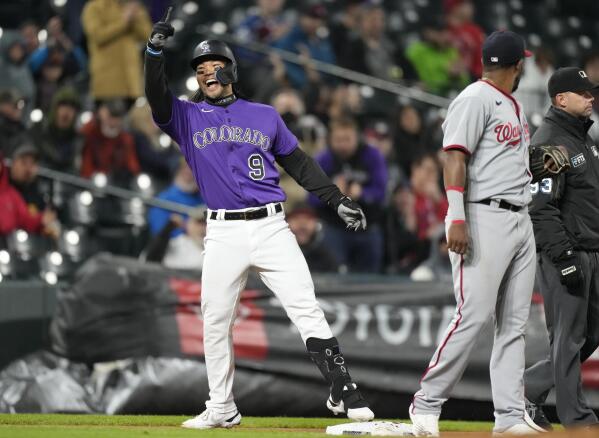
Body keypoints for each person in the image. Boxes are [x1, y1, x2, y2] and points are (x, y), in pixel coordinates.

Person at [144, 15, 373, 430]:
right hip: (223, 230)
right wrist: (154, 53)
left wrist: (335, 198)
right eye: (199, 69)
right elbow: (156, 96)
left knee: (304, 305)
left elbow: (299, 163)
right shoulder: (186, 116)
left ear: (231, 70)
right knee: (214, 319)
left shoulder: (264, 115)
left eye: (214, 66)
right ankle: (221, 406)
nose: (206, 73)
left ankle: (344, 387)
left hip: (271, 226)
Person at [408, 31, 553, 436]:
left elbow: (507, 163)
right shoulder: (474, 98)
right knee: (472, 315)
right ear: (517, 65)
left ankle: (508, 416)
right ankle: (426, 402)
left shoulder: (512, 105)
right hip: (482, 215)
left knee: (514, 323)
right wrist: (456, 216)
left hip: (519, 217)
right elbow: (453, 155)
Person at [523, 67, 599, 430]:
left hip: (592, 250)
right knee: (568, 340)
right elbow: (541, 208)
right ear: (560, 99)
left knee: (590, 336)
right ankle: (578, 420)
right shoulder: (550, 142)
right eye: (583, 93)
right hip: (567, 253)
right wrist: (564, 257)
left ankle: (528, 386)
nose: (591, 97)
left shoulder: (584, 139)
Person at [312, 117, 387, 273]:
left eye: (347, 139)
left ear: (357, 138)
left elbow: (381, 193)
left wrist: (362, 193)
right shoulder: (323, 159)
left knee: (369, 279)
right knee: (334, 277)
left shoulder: (372, 155)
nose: (343, 145)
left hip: (367, 227)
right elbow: (311, 198)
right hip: (334, 228)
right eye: (338, 140)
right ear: (330, 140)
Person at [81, 0, 152, 104]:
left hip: (133, 85)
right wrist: (124, 21)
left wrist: (135, 18)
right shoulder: (93, 8)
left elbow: (149, 36)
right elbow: (97, 36)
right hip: (108, 86)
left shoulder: (132, 7)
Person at [145, 158, 205, 269]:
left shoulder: (206, 199)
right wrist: (186, 228)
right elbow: (159, 236)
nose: (188, 173)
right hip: (174, 252)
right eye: (185, 168)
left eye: (192, 170)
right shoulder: (164, 200)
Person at [80, 98, 140, 184]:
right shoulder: (93, 134)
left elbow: (132, 163)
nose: (113, 122)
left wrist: (133, 175)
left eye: (117, 117)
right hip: (94, 181)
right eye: (111, 116)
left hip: (118, 182)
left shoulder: (125, 139)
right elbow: (86, 162)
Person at [30, 86, 82, 174]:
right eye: (63, 106)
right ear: (55, 109)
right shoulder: (38, 132)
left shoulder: (79, 141)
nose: (67, 111)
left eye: (72, 108)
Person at [287, 204, 339, 273]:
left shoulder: (328, 255)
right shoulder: (277, 253)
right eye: (296, 219)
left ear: (317, 224)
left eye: (308, 219)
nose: (302, 225)